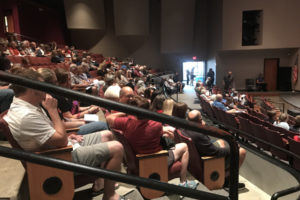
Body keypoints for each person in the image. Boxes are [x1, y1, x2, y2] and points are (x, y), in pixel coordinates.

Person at [4, 68, 124, 199]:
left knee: (107, 134)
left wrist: (67, 137)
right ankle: (110, 195)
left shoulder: (27, 105)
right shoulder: (26, 115)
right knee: (117, 148)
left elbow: (51, 134)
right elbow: (60, 139)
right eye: (42, 86)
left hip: (59, 148)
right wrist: (53, 110)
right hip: (57, 158)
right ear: (34, 89)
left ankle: (101, 181)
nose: (46, 89)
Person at [107, 95, 197, 189]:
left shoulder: (126, 123)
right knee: (184, 146)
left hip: (137, 159)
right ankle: (183, 182)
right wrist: (165, 132)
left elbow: (109, 118)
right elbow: (164, 136)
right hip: (157, 159)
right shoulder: (156, 124)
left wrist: (127, 111)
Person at [182, 110, 246, 190]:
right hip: (207, 159)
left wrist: (203, 127)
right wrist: (234, 147)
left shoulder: (185, 128)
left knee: (221, 141)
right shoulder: (198, 134)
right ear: (199, 120)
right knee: (241, 152)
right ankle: (228, 180)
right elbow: (215, 152)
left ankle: (223, 175)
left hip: (198, 155)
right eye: (201, 119)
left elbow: (208, 143)